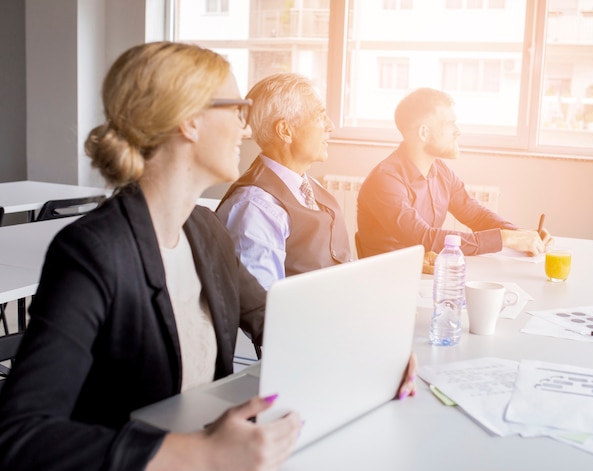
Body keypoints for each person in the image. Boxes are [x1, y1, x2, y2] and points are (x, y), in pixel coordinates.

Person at [0, 43, 416, 471]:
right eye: (238, 109)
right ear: (189, 121)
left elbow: (283, 320)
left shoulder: (206, 231)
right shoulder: (93, 252)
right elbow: (21, 432)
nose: (247, 127)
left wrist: (372, 355)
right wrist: (200, 455)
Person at [357, 87, 552, 260]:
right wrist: (503, 239)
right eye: (450, 124)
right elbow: (424, 238)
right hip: (389, 282)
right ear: (424, 133)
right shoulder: (384, 181)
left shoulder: (440, 171)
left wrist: (520, 234)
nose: (457, 131)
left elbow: (476, 216)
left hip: (425, 276)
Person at [216, 72, 352, 290]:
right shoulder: (254, 207)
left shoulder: (308, 186)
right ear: (285, 131)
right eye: (320, 116)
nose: (331, 126)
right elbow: (264, 307)